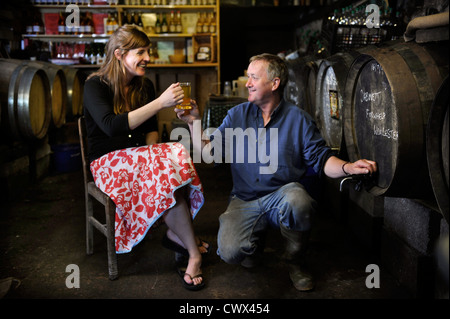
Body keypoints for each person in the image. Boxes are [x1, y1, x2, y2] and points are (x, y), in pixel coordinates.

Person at [175, 53, 377, 291]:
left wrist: (348, 167)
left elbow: (322, 160)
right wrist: (193, 122)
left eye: (253, 77)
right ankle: (254, 242)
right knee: (230, 252)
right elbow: (209, 155)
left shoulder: (298, 119)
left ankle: (295, 261)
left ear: (274, 83)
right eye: (248, 77)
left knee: (298, 201)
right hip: (244, 198)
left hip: (282, 196)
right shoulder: (237, 115)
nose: (247, 83)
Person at [83, 25, 208, 291]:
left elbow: (151, 131)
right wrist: (160, 103)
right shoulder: (95, 85)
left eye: (148, 51)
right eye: (140, 52)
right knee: (167, 162)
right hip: (108, 164)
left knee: (173, 155)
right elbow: (110, 125)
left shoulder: (144, 85)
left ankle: (178, 234)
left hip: (138, 160)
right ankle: (190, 247)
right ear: (118, 54)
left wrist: (153, 156)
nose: (148, 57)